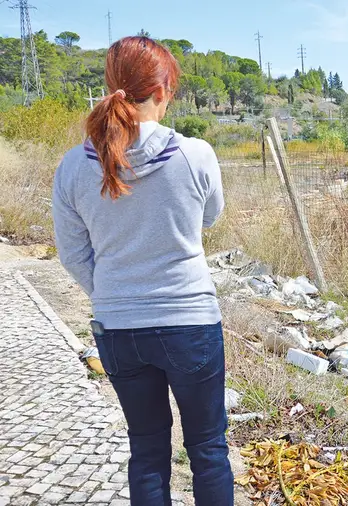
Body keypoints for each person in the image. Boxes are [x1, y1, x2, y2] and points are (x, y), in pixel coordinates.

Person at [52, 36, 233, 506]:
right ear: (165, 88)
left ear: (110, 87)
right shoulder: (196, 154)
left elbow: (72, 253)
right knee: (208, 450)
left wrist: (114, 291)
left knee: (148, 450)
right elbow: (208, 218)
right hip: (190, 323)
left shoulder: (73, 166)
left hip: (119, 329)